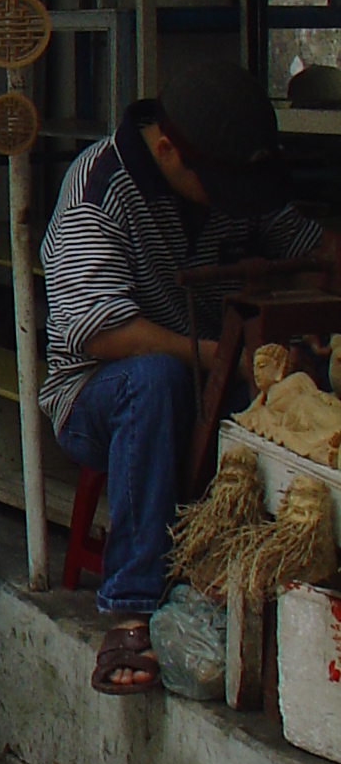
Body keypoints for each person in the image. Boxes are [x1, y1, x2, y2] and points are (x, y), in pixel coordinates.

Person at [41, 62, 339, 697]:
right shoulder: (99, 187)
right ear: (168, 151)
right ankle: (130, 607)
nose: (238, 206)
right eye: (223, 188)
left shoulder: (228, 176)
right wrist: (213, 354)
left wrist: (322, 280)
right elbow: (98, 330)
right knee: (155, 381)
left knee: (295, 403)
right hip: (101, 392)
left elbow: (306, 243)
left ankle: (248, 584)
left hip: (211, 374)